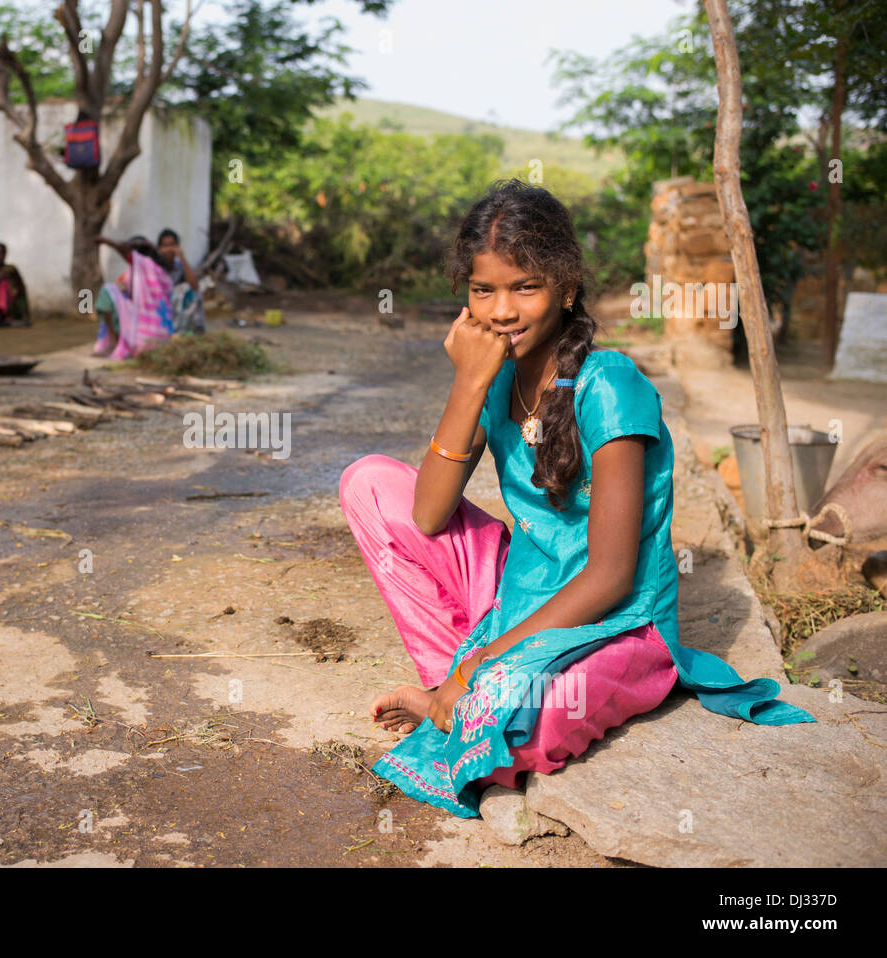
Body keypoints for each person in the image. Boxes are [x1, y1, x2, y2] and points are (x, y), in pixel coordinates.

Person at [338, 179, 814, 819]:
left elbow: (612, 574)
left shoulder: (608, 385)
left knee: (534, 722)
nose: (502, 310)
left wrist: (480, 664)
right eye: (484, 290)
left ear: (565, 288)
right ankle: (454, 685)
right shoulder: (496, 374)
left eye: (524, 288)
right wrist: (468, 382)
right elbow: (427, 515)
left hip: (616, 620)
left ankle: (462, 690)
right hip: (519, 593)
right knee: (369, 482)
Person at [91, 234, 174, 359]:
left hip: (143, 334)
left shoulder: (144, 264)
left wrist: (106, 241)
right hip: (163, 331)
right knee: (113, 295)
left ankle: (113, 343)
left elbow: (123, 249)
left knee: (107, 291)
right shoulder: (159, 270)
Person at [156, 228, 205, 335]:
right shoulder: (154, 265)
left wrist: (182, 258)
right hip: (159, 304)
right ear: (159, 248)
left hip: (175, 304)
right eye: (165, 246)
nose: (169, 249)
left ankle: (197, 331)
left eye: (172, 245)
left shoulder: (179, 265)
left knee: (193, 293)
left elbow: (195, 285)